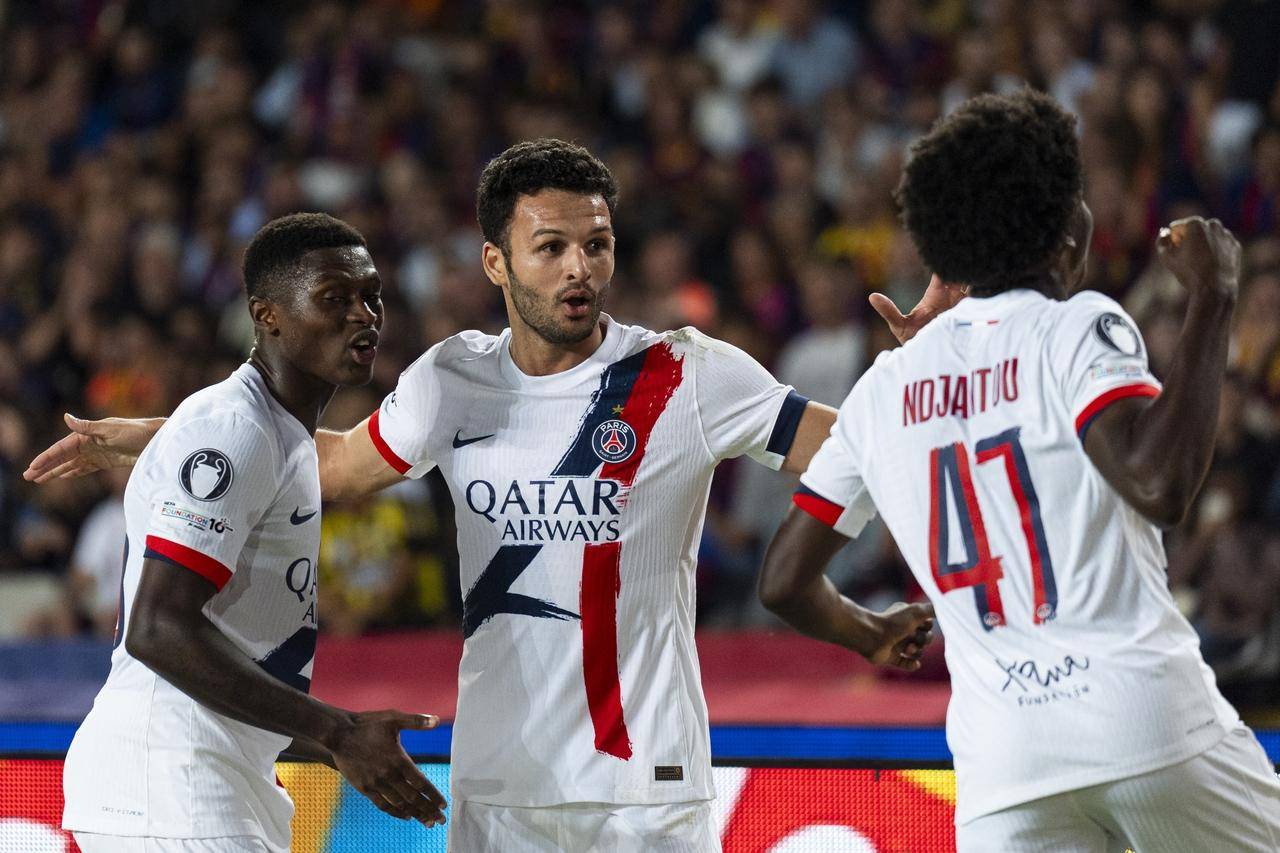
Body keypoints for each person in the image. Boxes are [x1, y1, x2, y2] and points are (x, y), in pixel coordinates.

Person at [27, 140, 944, 851]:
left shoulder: (690, 374)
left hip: (646, 793)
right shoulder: (451, 380)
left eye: (597, 245)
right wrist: (166, 432)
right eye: (551, 248)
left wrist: (926, 373)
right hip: (498, 789)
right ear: (496, 263)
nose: (580, 268)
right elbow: (330, 462)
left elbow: (860, 443)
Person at [758, 90, 1280, 852]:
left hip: (1005, 766)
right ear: (1067, 226)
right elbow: (1161, 486)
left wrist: (870, 632)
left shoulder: (884, 386)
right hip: (1143, 722)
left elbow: (783, 580)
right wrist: (1213, 296)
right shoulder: (1076, 326)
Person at [55, 213, 447, 853]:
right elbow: (158, 628)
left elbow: (244, 655)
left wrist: (336, 737)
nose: (364, 315)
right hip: (173, 785)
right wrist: (339, 732)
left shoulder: (280, 435)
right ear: (267, 316)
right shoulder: (236, 429)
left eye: (371, 295)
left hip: (210, 783)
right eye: (334, 298)